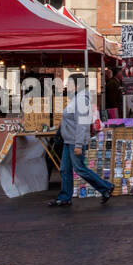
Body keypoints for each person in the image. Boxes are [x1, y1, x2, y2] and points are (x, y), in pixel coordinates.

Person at [49, 76, 113, 207]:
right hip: (69, 140)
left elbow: (82, 125)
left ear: (77, 85)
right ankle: (65, 197)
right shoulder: (76, 99)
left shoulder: (82, 100)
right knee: (64, 170)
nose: (68, 86)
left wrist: (78, 145)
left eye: (70, 83)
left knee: (79, 168)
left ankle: (106, 187)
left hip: (75, 141)